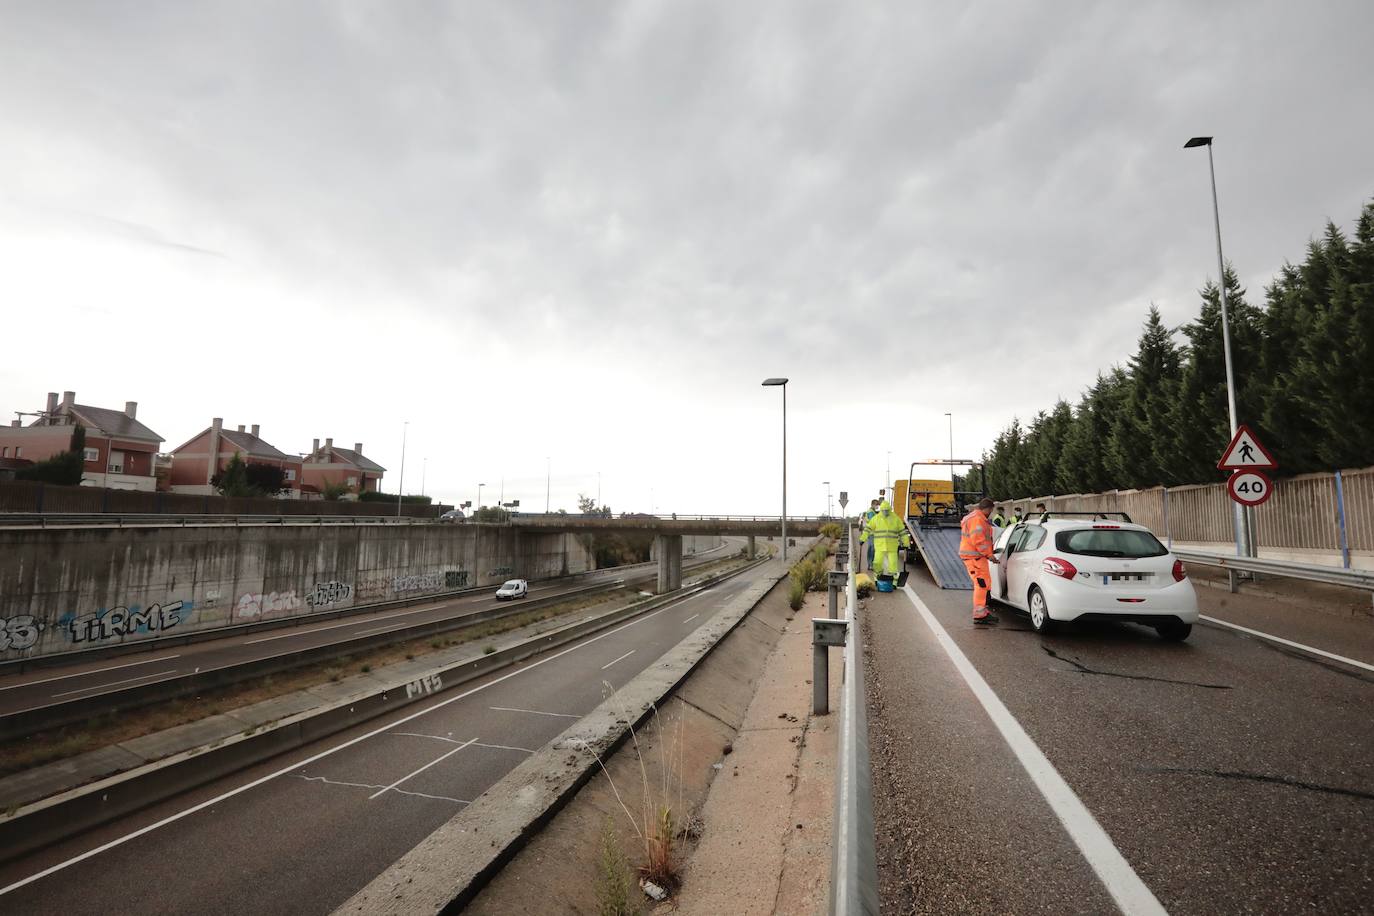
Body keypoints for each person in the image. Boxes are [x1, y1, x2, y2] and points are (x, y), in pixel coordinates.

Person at [959, 497, 1000, 624]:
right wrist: (989, 555)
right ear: (988, 508)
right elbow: (979, 540)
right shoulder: (978, 520)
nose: (991, 513)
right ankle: (979, 614)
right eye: (991, 510)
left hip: (975, 557)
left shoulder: (974, 517)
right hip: (975, 557)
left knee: (983, 583)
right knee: (981, 585)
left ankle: (982, 611)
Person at [861, 500, 910, 586]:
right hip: (880, 546)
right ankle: (877, 580)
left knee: (893, 565)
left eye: (887, 510)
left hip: (892, 546)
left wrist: (906, 543)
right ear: (881, 510)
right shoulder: (876, 519)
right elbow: (868, 529)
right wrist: (862, 539)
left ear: (889, 509)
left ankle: (894, 583)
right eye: (883, 510)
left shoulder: (895, 519)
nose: (885, 512)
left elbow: (902, 532)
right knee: (877, 563)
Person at [863, 499, 880, 570]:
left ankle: (870, 564)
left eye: (878, 505)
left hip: (872, 533)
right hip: (871, 533)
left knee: (872, 549)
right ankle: (870, 564)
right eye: (876, 505)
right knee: (872, 549)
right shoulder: (870, 512)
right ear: (872, 504)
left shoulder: (873, 512)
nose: (877, 506)